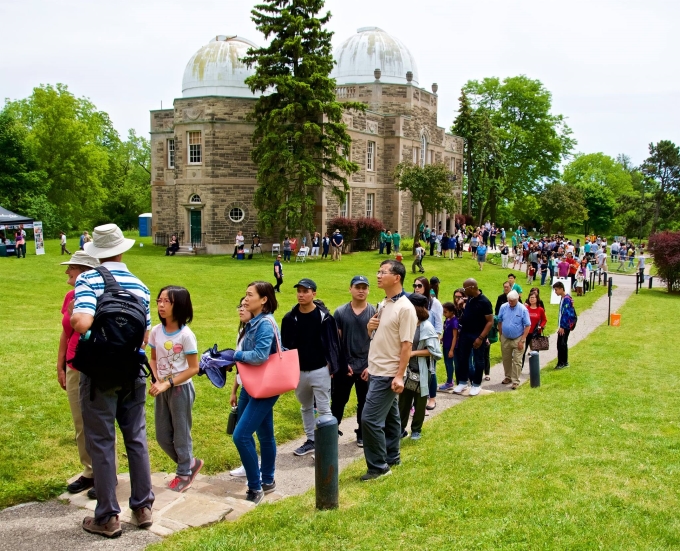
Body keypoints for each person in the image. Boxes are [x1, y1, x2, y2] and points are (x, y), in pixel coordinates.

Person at [71, 224, 154, 537]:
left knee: (102, 441)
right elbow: (144, 335)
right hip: (132, 370)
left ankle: (107, 516)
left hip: (99, 374)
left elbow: (80, 321)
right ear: (121, 249)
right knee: (136, 437)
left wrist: (96, 336)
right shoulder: (140, 285)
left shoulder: (89, 278)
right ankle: (143, 506)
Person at [362, 260, 417, 480]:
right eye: (377, 271)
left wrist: (399, 375)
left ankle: (378, 467)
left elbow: (407, 345)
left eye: (383, 272)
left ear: (397, 278)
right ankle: (392, 456)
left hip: (388, 373)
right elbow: (379, 338)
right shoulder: (383, 303)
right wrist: (369, 329)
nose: (377, 275)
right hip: (376, 368)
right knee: (392, 417)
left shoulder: (405, 308)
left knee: (370, 419)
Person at [148, 286, 203, 493]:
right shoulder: (155, 331)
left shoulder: (186, 335)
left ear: (178, 305)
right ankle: (190, 463)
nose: (161, 305)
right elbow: (153, 359)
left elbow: (194, 368)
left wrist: (168, 382)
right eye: (159, 301)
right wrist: (156, 379)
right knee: (162, 436)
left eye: (167, 302)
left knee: (181, 435)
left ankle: (183, 474)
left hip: (180, 390)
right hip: (162, 389)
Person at [231, 281, 281, 504]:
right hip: (251, 385)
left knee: (241, 435)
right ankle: (268, 479)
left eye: (250, 295)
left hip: (265, 387)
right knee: (264, 434)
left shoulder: (265, 324)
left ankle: (255, 487)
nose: (246, 299)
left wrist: (234, 356)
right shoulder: (253, 322)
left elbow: (260, 355)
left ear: (263, 300)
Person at [282, 279, 344, 457]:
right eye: (299, 291)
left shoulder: (325, 318)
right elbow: (285, 346)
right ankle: (311, 440)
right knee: (305, 407)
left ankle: (327, 445)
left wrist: (331, 365)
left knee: (324, 409)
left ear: (314, 294)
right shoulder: (289, 318)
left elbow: (334, 343)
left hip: (320, 370)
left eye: (305, 291)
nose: (301, 294)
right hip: (299, 371)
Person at [58, 251, 101, 498]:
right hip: (73, 364)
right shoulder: (69, 296)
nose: (67, 272)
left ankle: (106, 473)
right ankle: (89, 470)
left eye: (71, 268)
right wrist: (60, 366)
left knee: (98, 421)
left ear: (84, 271)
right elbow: (65, 332)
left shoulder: (97, 294)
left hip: (93, 365)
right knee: (79, 421)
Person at [331, 276, 375, 447]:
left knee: (364, 401)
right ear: (350, 289)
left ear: (369, 290)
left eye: (365, 287)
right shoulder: (341, 312)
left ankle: (362, 432)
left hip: (366, 366)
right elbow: (336, 341)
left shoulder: (374, 312)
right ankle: (332, 431)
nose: (361, 290)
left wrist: (371, 366)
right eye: (358, 287)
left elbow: (378, 341)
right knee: (338, 400)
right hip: (346, 366)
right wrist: (342, 364)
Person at [398, 293, 441, 440]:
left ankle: (416, 430)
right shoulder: (407, 324)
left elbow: (435, 351)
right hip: (406, 370)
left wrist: (413, 353)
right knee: (403, 402)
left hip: (422, 371)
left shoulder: (426, 327)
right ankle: (400, 429)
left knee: (420, 402)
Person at [228, 297, 259, 478]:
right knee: (243, 428)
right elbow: (240, 365)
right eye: (239, 306)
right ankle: (248, 465)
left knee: (246, 432)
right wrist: (234, 390)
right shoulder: (241, 332)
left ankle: (256, 471)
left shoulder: (255, 331)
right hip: (244, 385)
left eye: (245, 306)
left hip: (256, 387)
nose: (241, 309)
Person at [452, 279, 494, 396]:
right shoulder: (470, 298)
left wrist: (480, 338)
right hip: (466, 332)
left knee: (478, 360)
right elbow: (468, 303)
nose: (464, 292)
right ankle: (463, 382)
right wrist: (463, 302)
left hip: (477, 334)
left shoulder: (485, 302)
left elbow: (490, 322)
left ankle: (476, 384)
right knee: (463, 358)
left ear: (472, 287)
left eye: (465, 289)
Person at [413, 277, 442, 411]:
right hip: (416, 340)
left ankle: (432, 398)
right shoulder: (412, 301)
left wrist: (434, 341)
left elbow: (438, 325)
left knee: (431, 370)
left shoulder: (434, 303)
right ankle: (416, 398)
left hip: (429, 340)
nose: (416, 288)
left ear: (426, 287)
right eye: (415, 285)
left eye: (419, 285)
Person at [497, 290, 531, 390]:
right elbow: (499, 321)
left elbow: (527, 325)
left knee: (517, 361)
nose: (510, 302)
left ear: (517, 299)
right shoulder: (504, 307)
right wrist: (501, 334)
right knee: (506, 358)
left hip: (518, 338)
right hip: (505, 337)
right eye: (509, 300)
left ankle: (515, 380)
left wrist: (522, 340)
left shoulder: (522, 309)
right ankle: (508, 377)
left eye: (512, 301)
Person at [553, 281, 577, 369]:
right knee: (563, 343)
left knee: (561, 344)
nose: (555, 292)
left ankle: (561, 363)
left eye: (556, 290)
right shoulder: (564, 298)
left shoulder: (566, 299)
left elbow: (566, 313)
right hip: (563, 325)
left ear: (561, 289)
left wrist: (562, 326)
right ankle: (564, 362)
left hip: (564, 326)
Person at [522, 292, 547, 369]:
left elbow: (544, 320)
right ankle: (519, 369)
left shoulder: (540, 309)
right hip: (526, 333)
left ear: (537, 299)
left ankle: (534, 370)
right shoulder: (525, 309)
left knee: (534, 352)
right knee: (522, 352)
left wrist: (541, 326)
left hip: (536, 333)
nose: (531, 299)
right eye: (530, 297)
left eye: (533, 297)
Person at [437, 301, 459, 391]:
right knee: (446, 363)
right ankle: (449, 380)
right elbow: (446, 332)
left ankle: (450, 382)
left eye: (445, 312)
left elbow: (455, 337)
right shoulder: (447, 320)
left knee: (449, 364)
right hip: (445, 345)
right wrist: (442, 338)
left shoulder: (454, 322)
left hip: (450, 346)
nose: (443, 314)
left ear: (452, 312)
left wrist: (451, 350)